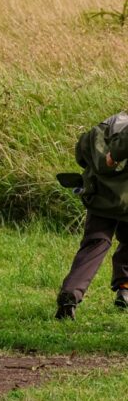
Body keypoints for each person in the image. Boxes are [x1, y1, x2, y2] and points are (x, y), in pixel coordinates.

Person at [56, 111, 128, 320]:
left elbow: (81, 155)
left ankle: (70, 293)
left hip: (101, 198)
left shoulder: (102, 128)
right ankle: (124, 288)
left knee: (95, 243)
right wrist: (113, 156)